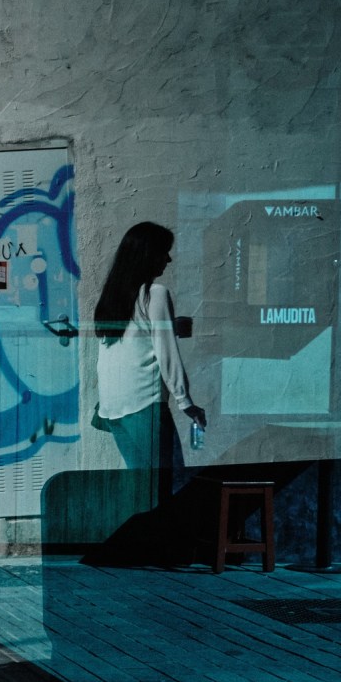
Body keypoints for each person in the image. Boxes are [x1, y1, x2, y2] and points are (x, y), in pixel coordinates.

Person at [94, 221, 207, 519]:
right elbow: (166, 351)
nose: (168, 260)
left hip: (114, 406)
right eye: (164, 252)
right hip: (144, 403)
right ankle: (159, 551)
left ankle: (139, 551)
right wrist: (186, 402)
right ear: (147, 254)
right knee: (163, 485)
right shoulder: (154, 293)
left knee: (140, 485)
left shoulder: (115, 295)